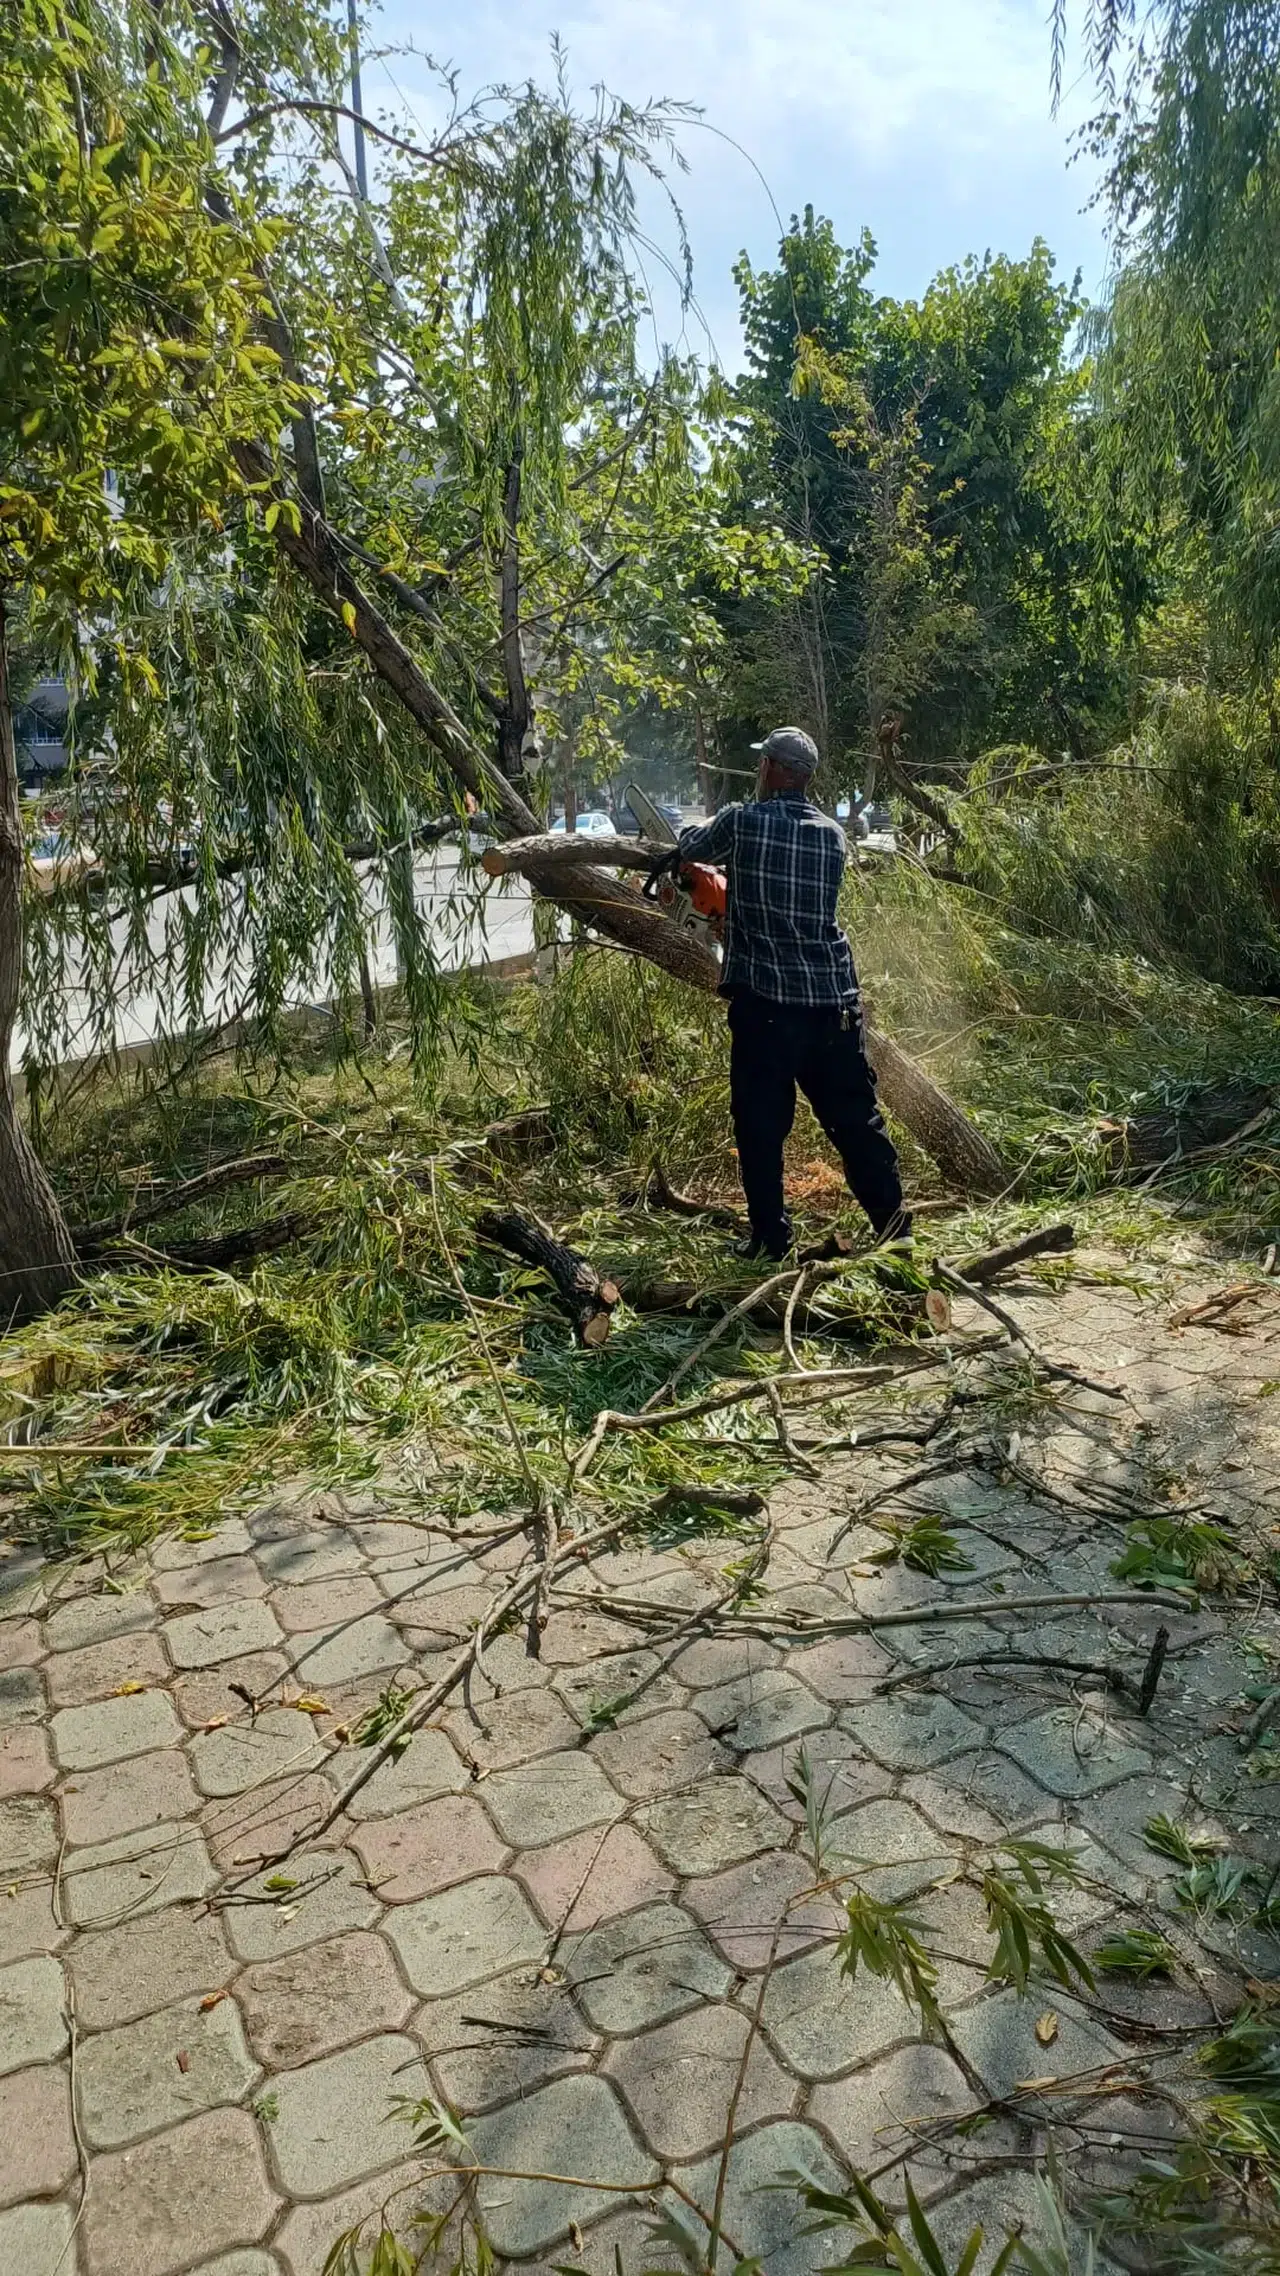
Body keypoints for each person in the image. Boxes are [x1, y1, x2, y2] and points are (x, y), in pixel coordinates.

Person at [676, 726, 910, 1261]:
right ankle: (895, 1230)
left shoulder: (743, 822)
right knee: (856, 1120)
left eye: (764, 765)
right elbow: (791, 905)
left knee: (760, 1125)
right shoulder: (832, 834)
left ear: (774, 770)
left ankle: (769, 1240)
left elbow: (691, 847)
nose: (759, 772)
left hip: (769, 1009)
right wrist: (737, 913)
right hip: (833, 1002)